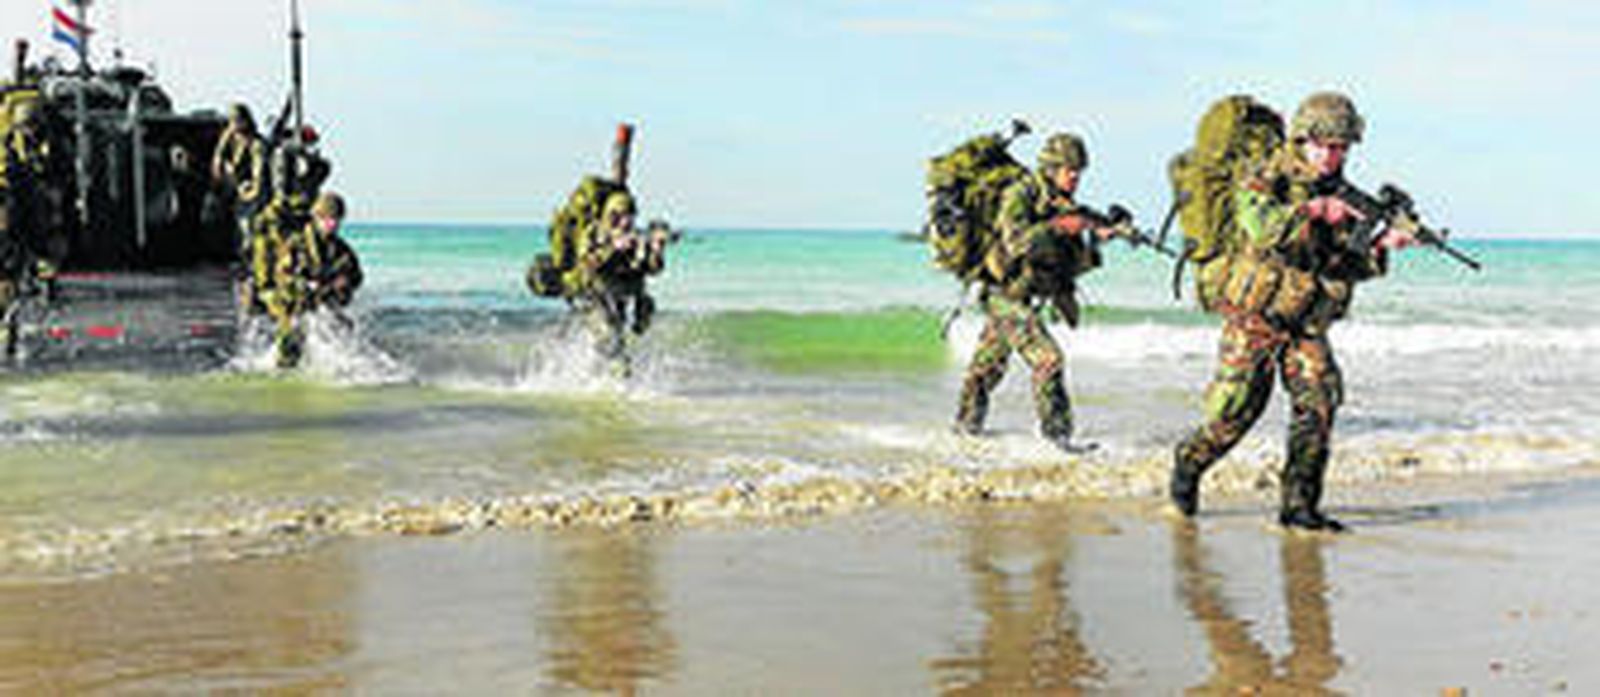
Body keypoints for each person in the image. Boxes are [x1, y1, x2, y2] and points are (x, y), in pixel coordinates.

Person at [1169, 92, 1418, 531]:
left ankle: (1299, 508)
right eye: (1323, 144)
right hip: (1256, 318)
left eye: (1341, 147)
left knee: (1319, 402)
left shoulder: (1341, 192)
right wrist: (1314, 210)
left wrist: (1379, 246)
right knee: (1234, 416)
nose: (1332, 155)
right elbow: (1262, 229)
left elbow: (1342, 264)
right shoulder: (1265, 174)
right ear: (1302, 138)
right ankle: (1187, 466)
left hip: (1305, 320)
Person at [954, 132, 1121, 453]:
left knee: (985, 371)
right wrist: (1059, 227)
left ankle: (964, 434)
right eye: (1069, 170)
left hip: (1021, 298)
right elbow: (1015, 242)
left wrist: (1097, 238)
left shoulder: (1065, 205)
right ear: (1051, 167)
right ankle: (1058, 440)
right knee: (1049, 360)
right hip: (1002, 295)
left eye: (1079, 172)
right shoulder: (1021, 194)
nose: (1075, 177)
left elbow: (1069, 266)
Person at [571, 189, 668, 376]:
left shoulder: (636, 237)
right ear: (611, 216)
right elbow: (587, 264)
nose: (626, 222)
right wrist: (613, 249)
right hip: (594, 296)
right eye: (620, 216)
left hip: (620, 297)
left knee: (642, 309)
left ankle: (611, 376)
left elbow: (653, 269)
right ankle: (596, 378)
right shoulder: (593, 233)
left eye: (630, 216)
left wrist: (656, 250)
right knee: (608, 337)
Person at [1, 100, 51, 355]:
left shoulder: (17, 151)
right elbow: (28, 204)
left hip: (13, 225)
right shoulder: (18, 157)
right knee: (9, 280)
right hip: (10, 225)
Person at [211, 103, 268, 294]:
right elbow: (219, 158)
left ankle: (249, 267)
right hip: (233, 193)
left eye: (238, 121)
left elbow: (259, 177)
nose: (234, 125)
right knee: (236, 229)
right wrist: (225, 168)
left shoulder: (256, 144)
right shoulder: (230, 137)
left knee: (248, 232)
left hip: (251, 196)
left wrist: (248, 190)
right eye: (232, 121)